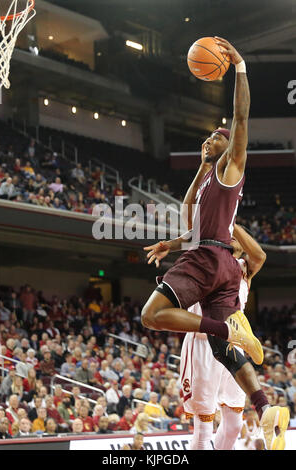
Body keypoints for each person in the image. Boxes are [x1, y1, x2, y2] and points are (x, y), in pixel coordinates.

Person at [141, 37, 289, 449]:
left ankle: (225, 328)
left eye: (216, 136)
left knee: (151, 316)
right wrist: (171, 245)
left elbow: (240, 120)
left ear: (230, 148)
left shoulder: (231, 168)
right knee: (227, 351)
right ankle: (265, 408)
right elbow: (189, 211)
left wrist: (239, 66)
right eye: (207, 136)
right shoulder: (210, 177)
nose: (211, 137)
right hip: (218, 262)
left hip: (210, 258)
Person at [181, 225, 265, 450]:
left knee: (234, 426)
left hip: (234, 345)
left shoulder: (244, 269)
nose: (234, 238)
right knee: (203, 430)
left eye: (238, 236)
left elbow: (259, 255)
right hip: (203, 343)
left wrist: (232, 224)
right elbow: (192, 234)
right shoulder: (203, 261)